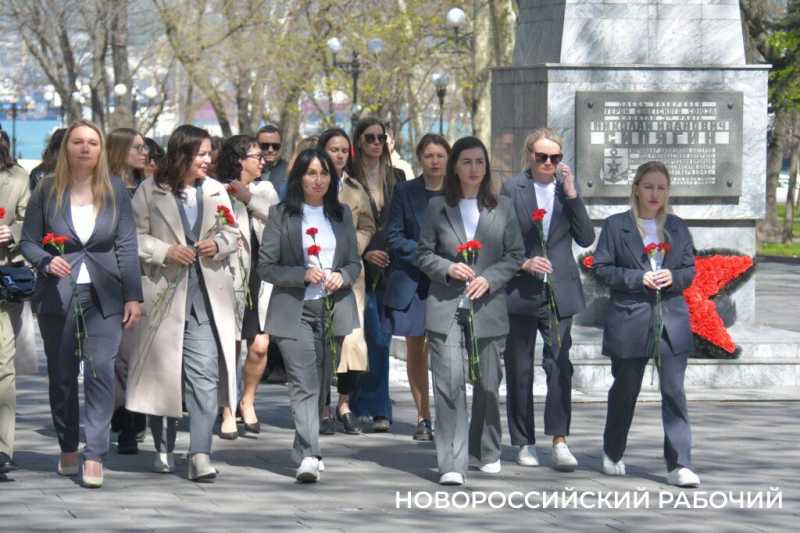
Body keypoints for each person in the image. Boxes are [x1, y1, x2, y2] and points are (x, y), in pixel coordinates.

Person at [20, 119, 143, 488]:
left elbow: (126, 245)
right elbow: (28, 241)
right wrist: (46, 261)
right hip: (58, 294)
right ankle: (68, 444)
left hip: (106, 294)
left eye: (93, 142)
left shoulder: (115, 188)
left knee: (101, 371)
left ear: (101, 149)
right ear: (66, 148)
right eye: (78, 141)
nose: (85, 148)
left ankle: (95, 454)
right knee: (62, 376)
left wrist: (133, 295)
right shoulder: (46, 189)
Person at [126, 125, 238, 482]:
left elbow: (233, 234)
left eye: (209, 154)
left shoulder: (216, 190)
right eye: (201, 154)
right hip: (164, 294)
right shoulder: (150, 189)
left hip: (206, 298)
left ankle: (200, 453)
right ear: (182, 154)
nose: (207, 159)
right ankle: (163, 445)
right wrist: (165, 251)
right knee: (164, 373)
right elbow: (132, 237)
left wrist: (218, 245)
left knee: (204, 375)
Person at [417, 136, 524, 486]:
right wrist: (446, 268)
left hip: (488, 306)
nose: (474, 169)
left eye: (479, 162)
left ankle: (485, 449)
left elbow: (515, 255)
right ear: (455, 167)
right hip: (446, 305)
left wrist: (490, 280)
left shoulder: (503, 207)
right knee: (449, 384)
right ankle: (452, 462)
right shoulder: (437, 207)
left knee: (488, 383)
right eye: (466, 162)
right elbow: (422, 253)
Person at [594, 161, 700, 488]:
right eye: (649, 187)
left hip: (671, 321)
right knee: (626, 390)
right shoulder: (616, 226)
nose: (655, 194)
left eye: (661, 188)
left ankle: (679, 463)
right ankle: (613, 452)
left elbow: (689, 269)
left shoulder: (677, 227)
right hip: (630, 318)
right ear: (636, 189)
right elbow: (601, 268)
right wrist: (637, 278)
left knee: (674, 391)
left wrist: (673, 277)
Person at [258, 148, 361, 482]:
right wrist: (301, 274)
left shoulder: (341, 214)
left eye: (324, 173)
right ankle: (310, 455)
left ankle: (304, 444)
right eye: (311, 173)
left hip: (334, 309)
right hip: (294, 311)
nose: (318, 180)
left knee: (321, 383)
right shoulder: (281, 214)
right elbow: (266, 267)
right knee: (303, 382)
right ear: (299, 177)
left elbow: (354, 262)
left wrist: (342, 276)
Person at [500, 128, 595, 471]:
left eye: (555, 158)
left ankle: (559, 440)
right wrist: (523, 262)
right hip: (521, 289)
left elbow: (586, 237)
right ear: (529, 156)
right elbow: (499, 237)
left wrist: (573, 195)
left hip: (559, 291)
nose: (548, 163)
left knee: (559, 365)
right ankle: (524, 441)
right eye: (542, 157)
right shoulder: (512, 188)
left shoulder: (565, 190)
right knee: (520, 368)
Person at [383, 133, 450, 441]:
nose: (434, 161)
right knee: (416, 347)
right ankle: (423, 417)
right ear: (420, 158)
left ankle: (449, 414)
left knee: (446, 348)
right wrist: (425, 256)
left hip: (448, 279)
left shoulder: (457, 192)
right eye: (429, 156)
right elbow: (393, 235)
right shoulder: (405, 191)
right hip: (413, 278)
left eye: (440, 155)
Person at [216, 135, 279, 438]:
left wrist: (248, 198)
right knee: (230, 347)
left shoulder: (265, 189)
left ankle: (248, 400)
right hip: (229, 276)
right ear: (239, 160)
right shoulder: (217, 191)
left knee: (260, 345)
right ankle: (227, 408)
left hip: (261, 276)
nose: (262, 160)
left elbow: (280, 220)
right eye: (256, 156)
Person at [347, 117, 405, 432]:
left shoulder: (397, 177)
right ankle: (361, 404)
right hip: (359, 265)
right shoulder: (349, 177)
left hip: (392, 265)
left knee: (381, 338)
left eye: (380, 138)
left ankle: (378, 406)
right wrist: (364, 252)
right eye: (369, 138)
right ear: (358, 141)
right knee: (364, 336)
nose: (375, 143)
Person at [317, 128, 375, 435]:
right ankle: (322, 407)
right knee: (322, 342)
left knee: (351, 341)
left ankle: (344, 405)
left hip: (350, 275)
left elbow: (367, 224)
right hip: (317, 273)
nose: (338, 155)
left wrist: (354, 247)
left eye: (343, 150)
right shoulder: (311, 183)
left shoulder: (354, 188)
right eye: (333, 149)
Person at [105, 127, 150, 454]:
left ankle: (134, 418)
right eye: (137, 147)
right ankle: (122, 416)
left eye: (144, 147)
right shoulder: (106, 187)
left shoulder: (150, 188)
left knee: (138, 356)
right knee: (118, 358)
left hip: (149, 279)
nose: (144, 152)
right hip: (113, 279)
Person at [0, 134, 30, 475]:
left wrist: (13, 232)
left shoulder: (17, 178)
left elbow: (30, 222)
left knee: (3, 363)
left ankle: (2, 449)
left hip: (2, 279)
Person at [257, 125, 289, 200]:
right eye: (264, 146)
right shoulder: (247, 170)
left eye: (275, 146)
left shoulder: (290, 172)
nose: (270, 150)